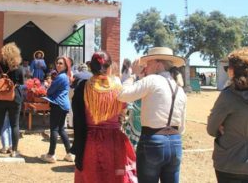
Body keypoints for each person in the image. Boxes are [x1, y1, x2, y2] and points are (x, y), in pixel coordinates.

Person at [119, 47, 187, 183]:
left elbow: (122, 95)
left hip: (153, 140)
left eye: (148, 63)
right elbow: (182, 127)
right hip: (175, 141)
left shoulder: (152, 80)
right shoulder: (179, 89)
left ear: (158, 64)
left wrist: (133, 75)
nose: (146, 67)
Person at [71, 51, 137, 182]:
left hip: (89, 141)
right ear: (110, 66)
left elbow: (77, 117)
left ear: (91, 66)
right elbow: (123, 112)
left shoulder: (83, 87)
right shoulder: (118, 88)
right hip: (113, 140)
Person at [207, 47, 248, 183]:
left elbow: (211, 129)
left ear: (233, 71)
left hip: (229, 162)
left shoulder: (228, 96)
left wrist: (221, 126)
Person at [0, 42, 24, 158]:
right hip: (14, 99)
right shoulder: (18, 69)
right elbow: (21, 83)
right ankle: (14, 151)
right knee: (15, 125)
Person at [40, 56, 74, 163]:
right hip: (63, 105)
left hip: (58, 104)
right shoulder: (65, 76)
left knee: (54, 129)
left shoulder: (61, 77)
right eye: (57, 63)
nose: (58, 65)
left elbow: (50, 91)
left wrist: (47, 87)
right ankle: (70, 153)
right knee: (61, 129)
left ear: (65, 65)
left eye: (61, 63)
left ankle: (51, 154)